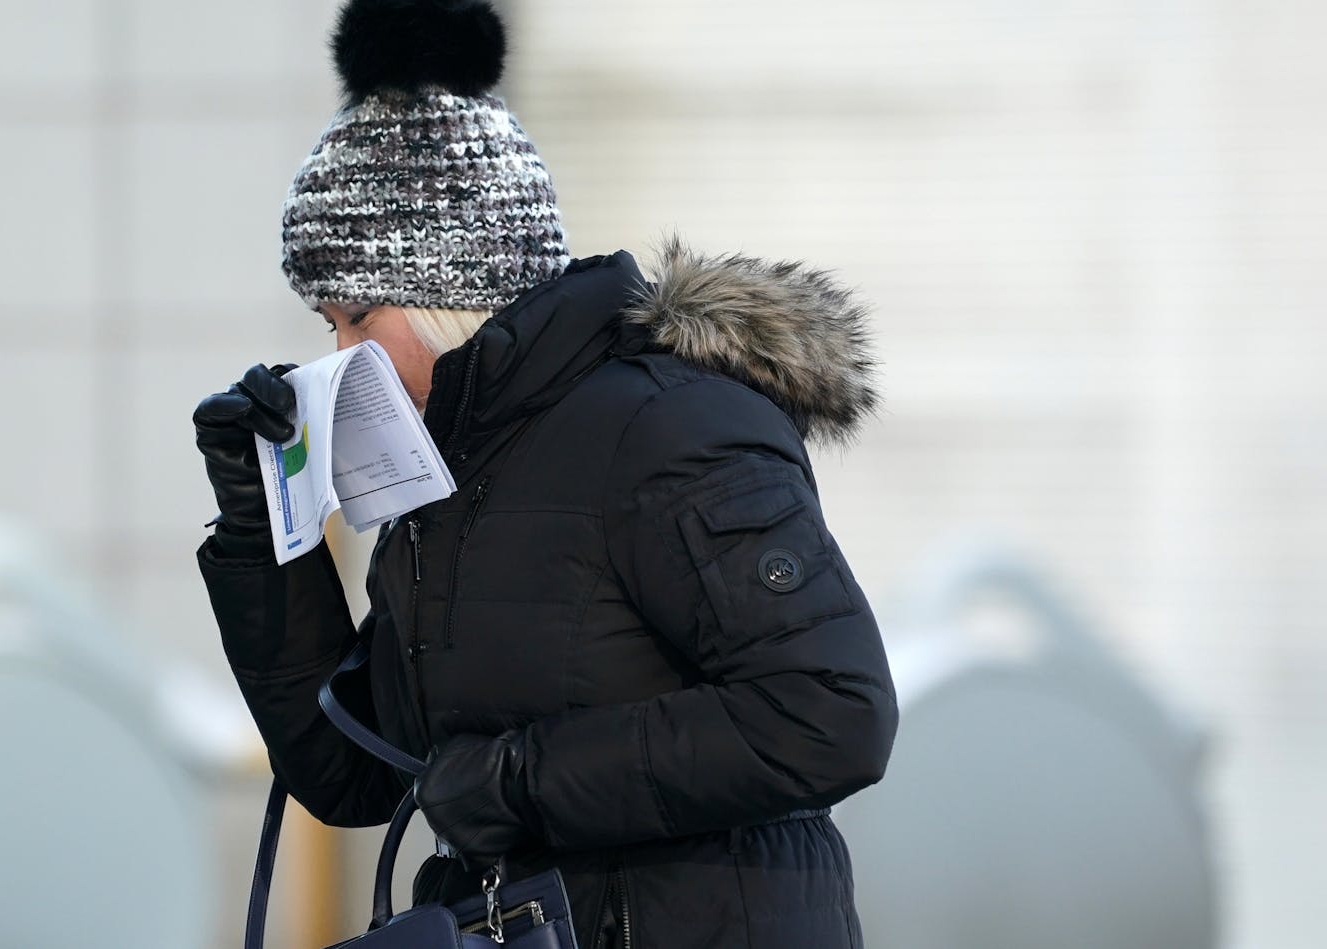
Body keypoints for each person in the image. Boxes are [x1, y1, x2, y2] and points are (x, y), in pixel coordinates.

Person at [193, 2, 898, 947]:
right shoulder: (442, 475)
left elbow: (830, 711)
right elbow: (355, 772)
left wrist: (515, 781)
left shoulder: (667, 428)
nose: (340, 355)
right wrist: (259, 531)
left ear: (454, 290)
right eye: (330, 328)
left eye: (359, 317)